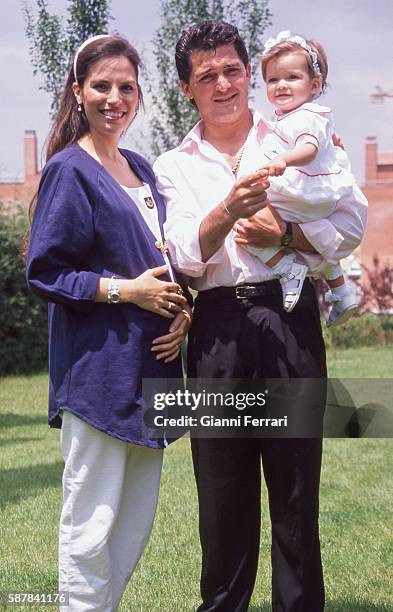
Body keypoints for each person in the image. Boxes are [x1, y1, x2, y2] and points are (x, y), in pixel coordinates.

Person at [153, 20, 367, 612]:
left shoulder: (301, 136)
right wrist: (226, 211)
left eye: (232, 70)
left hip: (288, 317)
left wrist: (289, 234)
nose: (223, 84)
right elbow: (185, 262)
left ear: (249, 73)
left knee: (297, 484)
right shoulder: (173, 167)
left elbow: (351, 226)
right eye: (206, 75)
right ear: (185, 88)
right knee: (222, 489)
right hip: (217, 329)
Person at [26, 34, 191, 612]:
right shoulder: (68, 170)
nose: (113, 97)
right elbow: (45, 271)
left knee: (134, 524)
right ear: (78, 92)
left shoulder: (142, 169)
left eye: (125, 87)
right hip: (97, 378)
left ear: (139, 96)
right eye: (101, 86)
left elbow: (160, 263)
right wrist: (127, 292)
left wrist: (180, 308)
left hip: (152, 377)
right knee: (92, 521)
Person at [244, 30, 360, 324]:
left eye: (292, 77)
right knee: (317, 240)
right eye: (273, 80)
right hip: (317, 197)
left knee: (245, 224)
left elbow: (307, 148)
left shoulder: (305, 117)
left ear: (315, 84)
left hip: (304, 191)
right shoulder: (306, 116)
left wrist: (282, 159)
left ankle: (287, 268)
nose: (281, 85)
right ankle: (341, 292)